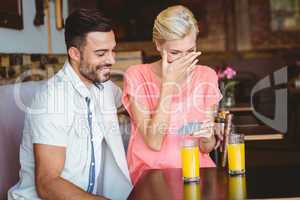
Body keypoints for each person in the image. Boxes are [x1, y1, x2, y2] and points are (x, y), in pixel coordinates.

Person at [8, 9, 132, 200]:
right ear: (74, 53)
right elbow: (48, 184)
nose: (112, 60)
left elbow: (133, 103)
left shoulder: (103, 87)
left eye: (112, 50)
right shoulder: (52, 100)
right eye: (101, 53)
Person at [122, 5, 222, 184]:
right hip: (152, 176)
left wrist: (208, 137)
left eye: (190, 52)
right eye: (175, 52)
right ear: (158, 45)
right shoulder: (136, 75)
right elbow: (154, 142)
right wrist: (169, 84)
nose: (184, 61)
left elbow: (206, 148)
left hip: (196, 171)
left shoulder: (207, 76)